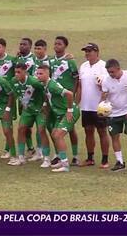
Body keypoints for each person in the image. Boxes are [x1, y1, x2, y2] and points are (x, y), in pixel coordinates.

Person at [36, 64, 80, 172]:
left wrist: (69, 110)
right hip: (60, 113)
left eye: (41, 73)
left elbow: (69, 94)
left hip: (69, 112)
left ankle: (65, 165)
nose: (38, 76)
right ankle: (61, 160)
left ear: (47, 74)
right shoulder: (45, 85)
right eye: (37, 73)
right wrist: (45, 105)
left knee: (58, 135)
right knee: (54, 134)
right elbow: (49, 97)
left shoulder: (52, 86)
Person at [76, 43, 110, 168]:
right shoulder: (83, 66)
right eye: (86, 51)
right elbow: (80, 86)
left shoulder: (104, 66)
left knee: (102, 131)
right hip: (86, 106)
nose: (87, 54)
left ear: (96, 52)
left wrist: (102, 86)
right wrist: (76, 103)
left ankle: (105, 159)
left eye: (89, 51)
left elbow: (107, 86)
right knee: (88, 131)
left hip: (100, 106)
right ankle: (90, 158)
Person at [100, 59, 127, 171]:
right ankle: (119, 161)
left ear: (118, 68)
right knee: (114, 136)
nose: (110, 74)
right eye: (108, 72)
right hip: (113, 113)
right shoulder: (106, 81)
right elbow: (104, 97)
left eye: (112, 72)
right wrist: (102, 106)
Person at [10, 63, 51, 167]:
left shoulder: (35, 82)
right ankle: (21, 157)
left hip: (39, 111)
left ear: (25, 72)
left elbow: (46, 92)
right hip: (28, 110)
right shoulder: (14, 81)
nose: (16, 74)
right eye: (15, 72)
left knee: (41, 131)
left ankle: (46, 158)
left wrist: (45, 105)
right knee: (21, 129)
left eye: (19, 72)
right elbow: (15, 95)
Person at [49, 36, 79, 167]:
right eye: (55, 44)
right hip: (55, 101)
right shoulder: (50, 60)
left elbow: (77, 79)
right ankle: (59, 157)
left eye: (59, 44)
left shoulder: (70, 61)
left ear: (65, 46)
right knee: (55, 130)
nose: (56, 46)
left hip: (67, 100)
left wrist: (74, 95)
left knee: (70, 130)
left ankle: (75, 156)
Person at [0, 38, 18, 159]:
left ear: (4, 48)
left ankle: (8, 150)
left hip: (7, 97)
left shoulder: (12, 60)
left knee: (7, 126)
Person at [16, 37, 38, 160]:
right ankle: (30, 148)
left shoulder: (34, 59)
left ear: (30, 47)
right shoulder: (18, 58)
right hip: (22, 97)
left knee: (38, 127)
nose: (22, 46)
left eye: (24, 44)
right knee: (25, 125)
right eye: (20, 44)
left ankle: (39, 152)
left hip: (34, 97)